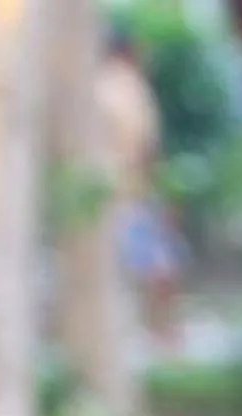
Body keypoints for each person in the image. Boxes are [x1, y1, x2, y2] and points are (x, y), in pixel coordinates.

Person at [98, 27, 185, 352]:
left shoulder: (96, 86)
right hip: (134, 190)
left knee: (130, 265)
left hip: (107, 192)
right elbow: (146, 146)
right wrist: (159, 190)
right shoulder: (129, 87)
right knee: (160, 265)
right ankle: (166, 334)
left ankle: (148, 333)